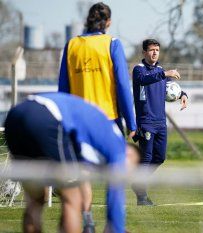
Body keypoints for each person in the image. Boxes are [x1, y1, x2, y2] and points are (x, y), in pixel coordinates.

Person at [4, 93, 140, 233]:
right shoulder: (118, 146)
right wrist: (116, 229)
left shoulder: (98, 137)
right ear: (130, 154)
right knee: (73, 198)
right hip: (46, 116)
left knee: (36, 200)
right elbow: (115, 192)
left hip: (16, 116)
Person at [58, 2, 137, 229]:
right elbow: (123, 85)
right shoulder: (112, 43)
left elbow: (63, 88)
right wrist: (131, 122)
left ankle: (87, 219)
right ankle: (114, 226)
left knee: (82, 173)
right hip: (107, 121)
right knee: (115, 176)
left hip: (76, 122)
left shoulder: (71, 45)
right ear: (108, 22)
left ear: (87, 20)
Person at [131, 39, 188, 205]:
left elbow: (172, 87)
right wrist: (165, 73)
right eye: (151, 50)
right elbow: (145, 80)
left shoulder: (161, 71)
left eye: (157, 50)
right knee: (147, 157)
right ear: (144, 52)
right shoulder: (139, 70)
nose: (155, 52)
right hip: (146, 121)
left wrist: (183, 94)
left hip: (160, 122)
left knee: (160, 157)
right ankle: (141, 196)